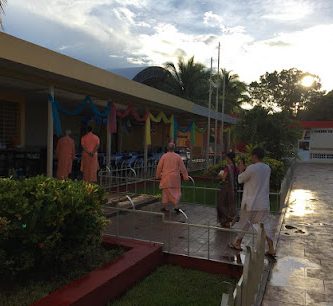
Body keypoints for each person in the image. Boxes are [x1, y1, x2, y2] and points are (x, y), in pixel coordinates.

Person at [229, 147, 276, 258]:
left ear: (254, 156)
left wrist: (241, 169)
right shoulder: (267, 168)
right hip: (263, 203)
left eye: (251, 156)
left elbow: (240, 179)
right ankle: (271, 248)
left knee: (244, 224)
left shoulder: (251, 168)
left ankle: (237, 243)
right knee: (265, 225)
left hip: (250, 203)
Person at [156, 142, 189, 214]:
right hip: (175, 179)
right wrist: (185, 177)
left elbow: (159, 167)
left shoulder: (164, 156)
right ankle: (176, 207)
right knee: (176, 192)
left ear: (167, 148)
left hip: (166, 178)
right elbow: (183, 168)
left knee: (165, 193)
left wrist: (157, 176)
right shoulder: (177, 156)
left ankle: (164, 207)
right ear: (174, 148)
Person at [217, 152, 238, 228]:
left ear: (228, 158)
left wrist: (220, 175)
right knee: (228, 204)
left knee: (221, 205)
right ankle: (228, 221)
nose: (225, 159)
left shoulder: (227, 167)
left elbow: (223, 177)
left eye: (226, 157)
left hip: (225, 188)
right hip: (232, 189)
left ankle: (228, 218)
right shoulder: (235, 167)